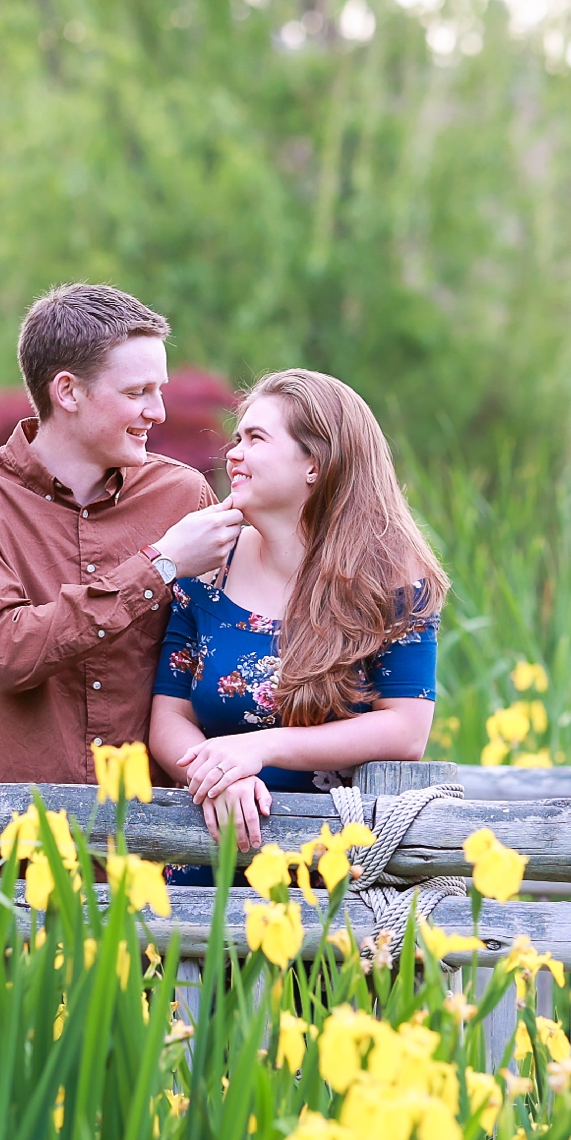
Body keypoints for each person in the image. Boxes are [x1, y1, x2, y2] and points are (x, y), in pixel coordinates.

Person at [0, 283, 243, 783]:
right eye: (137, 393)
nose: (156, 412)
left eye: (160, 390)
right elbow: (7, 653)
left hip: (153, 838)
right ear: (67, 391)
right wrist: (160, 565)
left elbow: (229, 657)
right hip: (15, 836)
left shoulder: (184, 495)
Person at [150, 370, 447, 875]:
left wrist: (258, 748)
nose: (233, 454)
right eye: (236, 438)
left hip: (333, 875)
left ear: (315, 463)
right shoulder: (205, 571)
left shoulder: (392, 582)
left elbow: (406, 728)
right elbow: (167, 719)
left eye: (255, 438)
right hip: (207, 861)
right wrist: (221, 774)